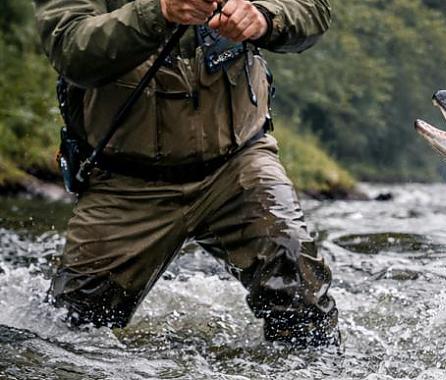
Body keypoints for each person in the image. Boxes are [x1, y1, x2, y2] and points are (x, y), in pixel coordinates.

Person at [34, 0, 338, 346]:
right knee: (70, 330)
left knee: (302, 295)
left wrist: (264, 17)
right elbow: (71, 47)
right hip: (126, 184)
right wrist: (160, 12)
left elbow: (313, 9)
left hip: (239, 165)